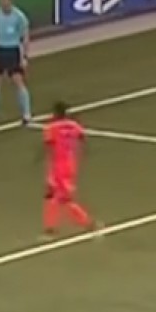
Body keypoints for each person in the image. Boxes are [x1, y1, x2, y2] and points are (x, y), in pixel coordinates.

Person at [41, 101, 100, 239]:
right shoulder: (73, 125)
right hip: (70, 164)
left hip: (58, 166)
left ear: (55, 113)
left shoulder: (51, 128)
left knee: (63, 199)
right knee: (51, 195)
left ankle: (89, 223)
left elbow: (48, 147)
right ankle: (50, 227)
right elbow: (82, 138)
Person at [0, 0, 32, 125]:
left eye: (5, 0)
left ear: (10, 0)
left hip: (12, 51)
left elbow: (25, 37)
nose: (2, 2)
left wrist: (25, 57)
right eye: (1, 0)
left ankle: (26, 113)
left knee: (18, 82)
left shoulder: (19, 17)